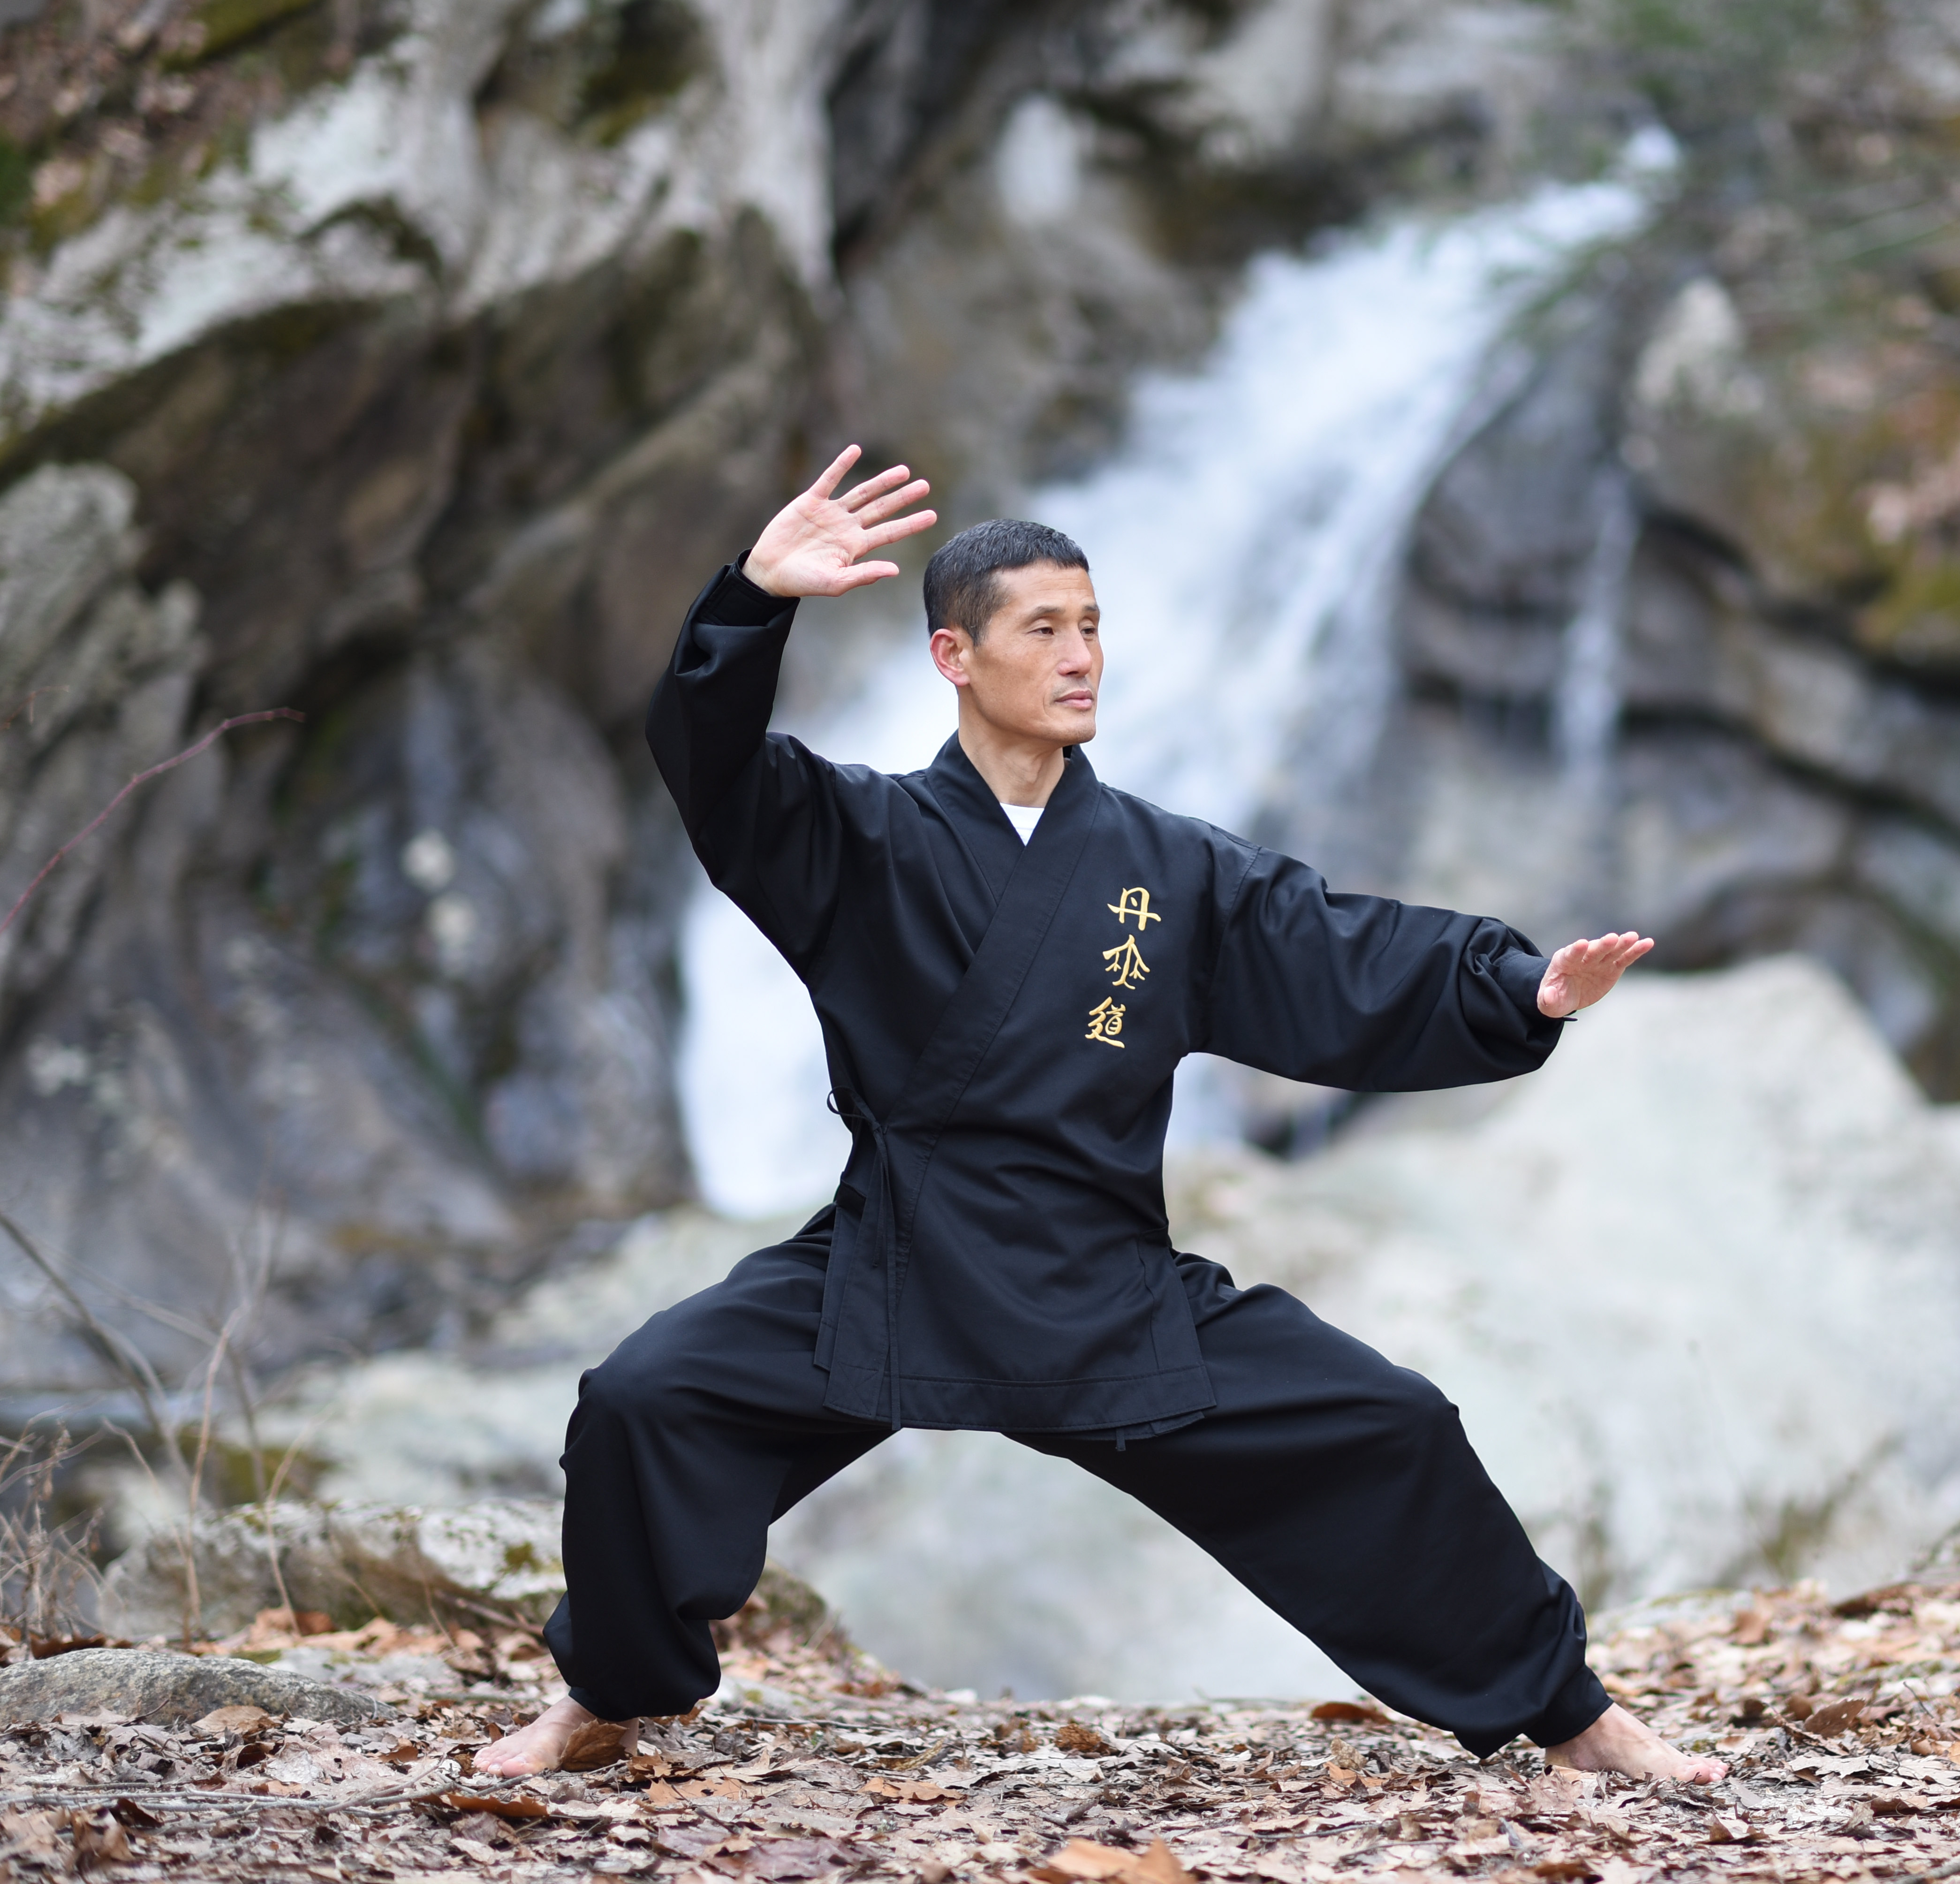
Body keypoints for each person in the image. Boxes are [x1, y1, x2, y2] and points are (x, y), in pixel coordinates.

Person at [476, 448, 1720, 1787]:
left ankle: (1575, 1715)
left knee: (1391, 1423)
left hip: (1101, 1281)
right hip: (898, 1263)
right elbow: (712, 770)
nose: (1081, 658)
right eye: (1044, 630)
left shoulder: (1164, 867)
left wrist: (1518, 989)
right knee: (644, 1401)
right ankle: (605, 1697)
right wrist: (751, 602)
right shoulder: (859, 839)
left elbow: (1335, 952)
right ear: (955, 656)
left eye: (1092, 628)